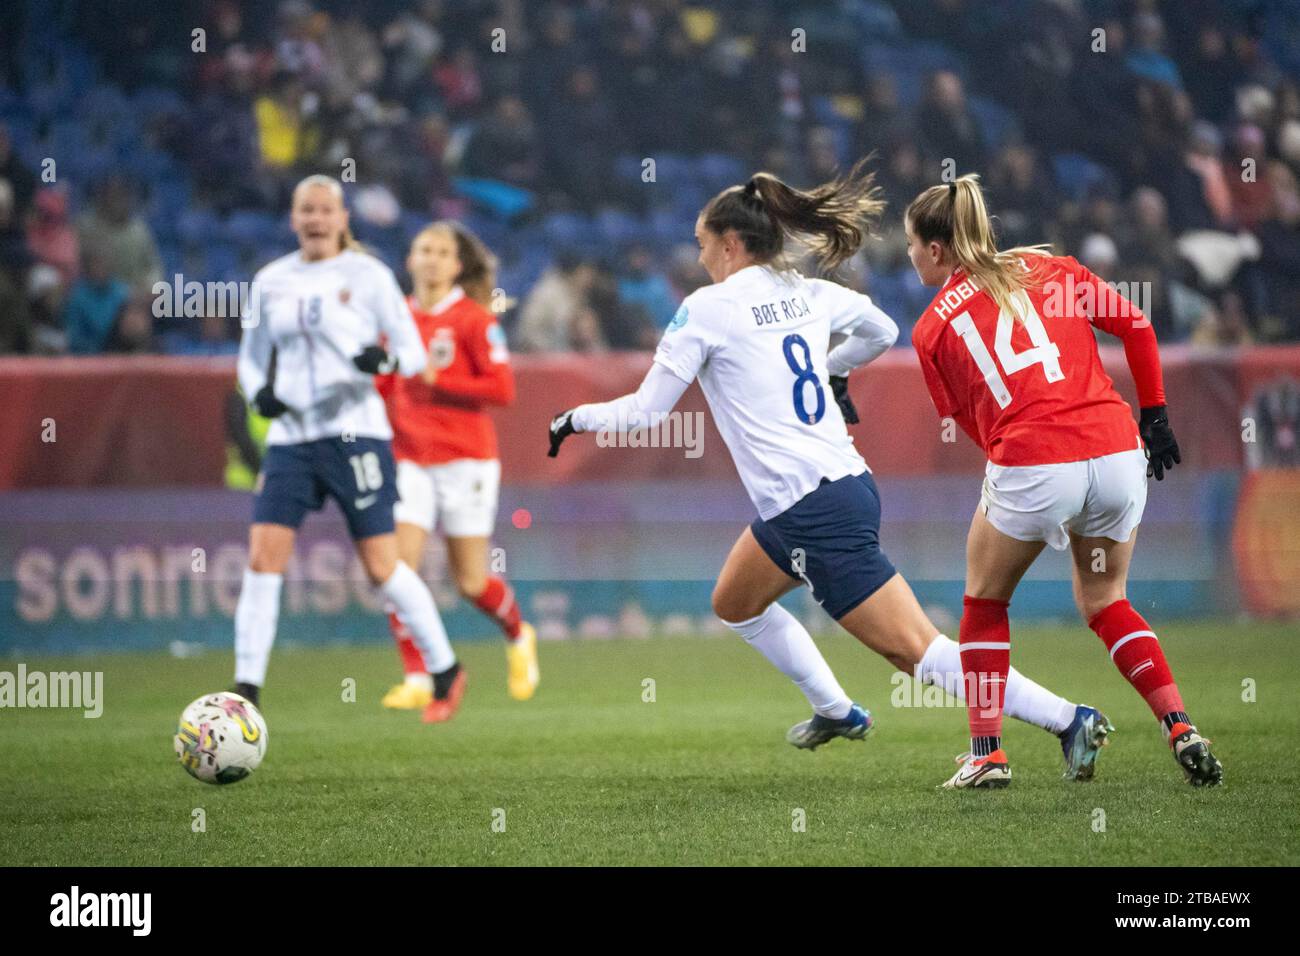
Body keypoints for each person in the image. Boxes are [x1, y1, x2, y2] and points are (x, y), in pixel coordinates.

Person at [548, 163, 1110, 780]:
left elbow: (646, 412)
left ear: (730, 244)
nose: (699, 252)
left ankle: (1068, 718)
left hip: (812, 508)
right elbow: (883, 329)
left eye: (701, 241)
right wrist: (835, 369)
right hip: (830, 493)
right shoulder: (807, 292)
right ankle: (836, 708)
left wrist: (574, 417)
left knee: (916, 650)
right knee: (735, 601)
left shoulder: (706, 309)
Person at [905, 174, 1223, 788]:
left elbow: (978, 426)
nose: (912, 255)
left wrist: (1027, 485)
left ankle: (987, 753)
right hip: (1116, 453)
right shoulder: (1052, 269)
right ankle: (1180, 725)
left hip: (1033, 462)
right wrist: (1155, 415)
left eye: (914, 244)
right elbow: (1136, 327)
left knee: (985, 602)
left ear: (937, 251)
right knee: (1107, 601)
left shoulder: (930, 330)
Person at [232, 174, 466, 724]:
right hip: (292, 439)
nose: (314, 220)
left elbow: (411, 354)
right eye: (305, 211)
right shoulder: (270, 281)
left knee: (383, 566)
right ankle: (247, 688)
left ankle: (445, 667)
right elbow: (249, 356)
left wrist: (379, 362)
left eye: (324, 211)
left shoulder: (369, 276)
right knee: (263, 559)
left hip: (356, 434)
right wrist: (259, 392)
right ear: (293, 220)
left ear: (342, 219)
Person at [376, 221, 539, 709]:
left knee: (469, 582)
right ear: (409, 260)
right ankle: (418, 677)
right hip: (410, 460)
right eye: (423, 249)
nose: (430, 258)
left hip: (466, 461)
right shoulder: (394, 320)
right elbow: (384, 385)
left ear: (456, 265)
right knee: (395, 571)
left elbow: (502, 390)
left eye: (441, 252)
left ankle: (518, 632)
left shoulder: (473, 319)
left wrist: (438, 379)